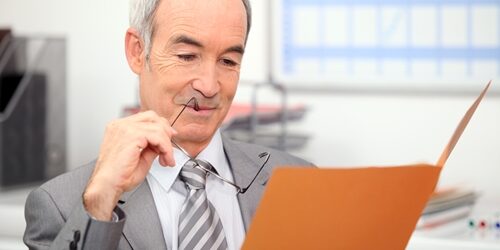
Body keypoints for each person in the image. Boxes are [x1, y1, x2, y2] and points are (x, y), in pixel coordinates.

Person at [23, 0, 312, 249]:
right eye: (187, 56)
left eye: (227, 61)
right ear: (138, 51)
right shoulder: (59, 205)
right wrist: (99, 205)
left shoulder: (303, 182)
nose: (209, 86)